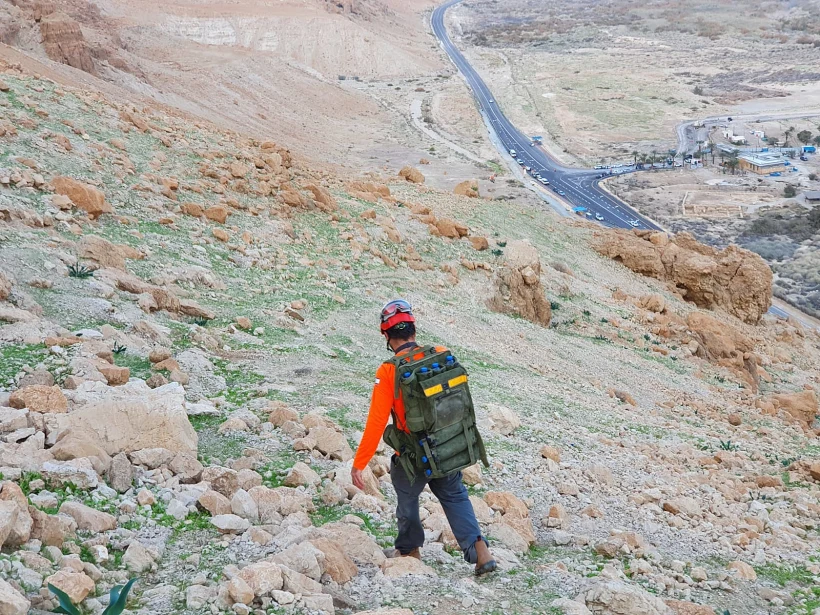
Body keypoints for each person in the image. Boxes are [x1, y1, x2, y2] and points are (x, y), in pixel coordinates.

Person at [351, 299, 497, 576]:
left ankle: (409, 550)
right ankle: (480, 550)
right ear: (414, 330)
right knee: (455, 495)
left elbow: (377, 422)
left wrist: (360, 463)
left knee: (406, 496)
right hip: (447, 446)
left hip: (414, 456)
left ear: (386, 336)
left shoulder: (388, 371)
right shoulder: (441, 354)